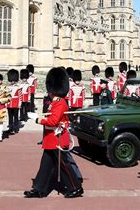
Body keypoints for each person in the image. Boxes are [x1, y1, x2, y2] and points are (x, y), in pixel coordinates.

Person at [24, 67, 83, 198]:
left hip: (58, 140)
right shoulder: (54, 102)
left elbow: (53, 121)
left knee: (64, 166)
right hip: (52, 139)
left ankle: (76, 187)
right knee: (45, 166)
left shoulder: (60, 102)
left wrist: (37, 119)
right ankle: (39, 189)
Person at [7, 69, 22, 134]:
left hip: (16, 104)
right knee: (10, 117)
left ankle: (16, 128)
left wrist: (19, 104)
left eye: (13, 80)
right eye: (11, 80)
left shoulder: (18, 87)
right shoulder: (8, 87)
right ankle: (10, 128)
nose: (12, 81)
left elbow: (20, 97)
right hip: (9, 104)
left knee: (15, 117)